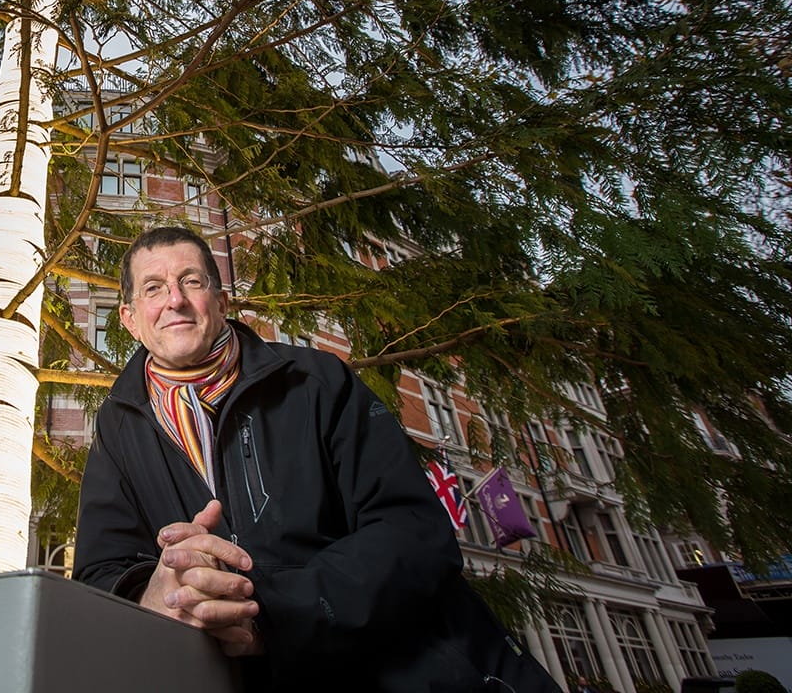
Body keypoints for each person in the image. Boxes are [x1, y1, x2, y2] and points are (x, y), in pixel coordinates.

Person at [72, 226, 561, 692]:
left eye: (191, 282)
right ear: (129, 319)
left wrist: (272, 613)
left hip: (407, 674)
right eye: (153, 289)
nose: (174, 300)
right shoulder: (117, 428)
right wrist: (154, 594)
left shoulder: (318, 382)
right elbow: (100, 574)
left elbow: (415, 535)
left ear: (221, 303)